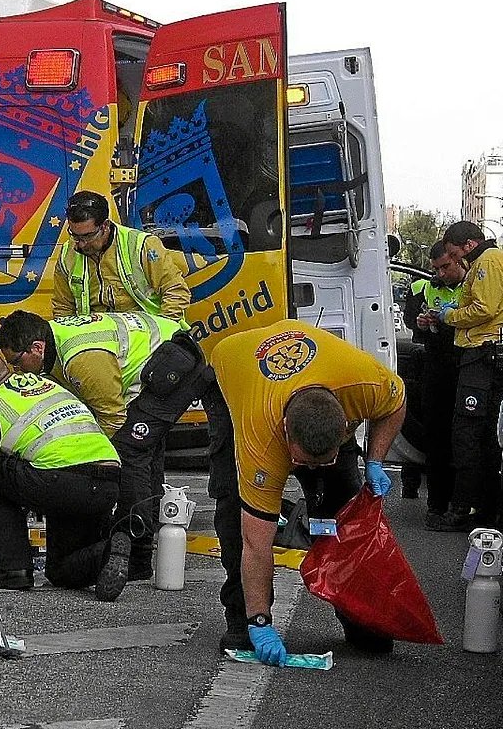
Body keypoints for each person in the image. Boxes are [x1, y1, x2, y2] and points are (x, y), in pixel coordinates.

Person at [205, 319, 405, 662]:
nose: (310, 470)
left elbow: (396, 404)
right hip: (231, 374)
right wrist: (260, 621)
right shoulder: (262, 436)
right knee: (234, 510)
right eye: (301, 461)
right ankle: (243, 618)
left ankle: (359, 617)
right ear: (285, 434)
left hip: (319, 386)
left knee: (347, 514)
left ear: (345, 427)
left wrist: (375, 460)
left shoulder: (365, 384)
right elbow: (256, 544)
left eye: (322, 461)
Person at [0, 310, 210, 600]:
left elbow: (111, 419)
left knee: (128, 452)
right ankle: (141, 534)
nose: (17, 371)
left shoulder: (83, 359)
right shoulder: (50, 340)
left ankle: (137, 555)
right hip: (158, 358)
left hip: (177, 359)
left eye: (17, 362)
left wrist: (89, 462)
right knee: (145, 451)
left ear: (37, 348)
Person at [0, 349, 121, 594]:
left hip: (61, 480)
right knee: (60, 570)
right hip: (107, 481)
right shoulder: (45, 384)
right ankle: (108, 551)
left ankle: (14, 568)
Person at [433, 221, 503, 531]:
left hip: (481, 356)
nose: (454, 259)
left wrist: (451, 316)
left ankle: (461, 510)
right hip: (484, 356)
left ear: (468, 245)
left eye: (453, 252)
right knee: (486, 437)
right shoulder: (486, 261)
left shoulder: (487, 261)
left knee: (467, 434)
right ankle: (485, 511)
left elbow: (485, 308)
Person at [52, 191, 190, 322]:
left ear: (105, 225)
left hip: (145, 331)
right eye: (75, 235)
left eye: (88, 236)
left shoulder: (142, 244)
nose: (81, 244)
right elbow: (63, 307)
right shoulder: (67, 253)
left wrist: (163, 330)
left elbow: (176, 291)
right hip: (94, 334)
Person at [402, 241, 465, 517]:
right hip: (435, 365)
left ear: (459, 260)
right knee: (435, 435)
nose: (440, 273)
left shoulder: (474, 284)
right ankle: (436, 505)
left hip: (467, 364)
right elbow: (409, 321)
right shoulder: (422, 287)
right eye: (436, 269)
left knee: (465, 438)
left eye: (445, 267)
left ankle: (463, 502)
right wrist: (421, 322)